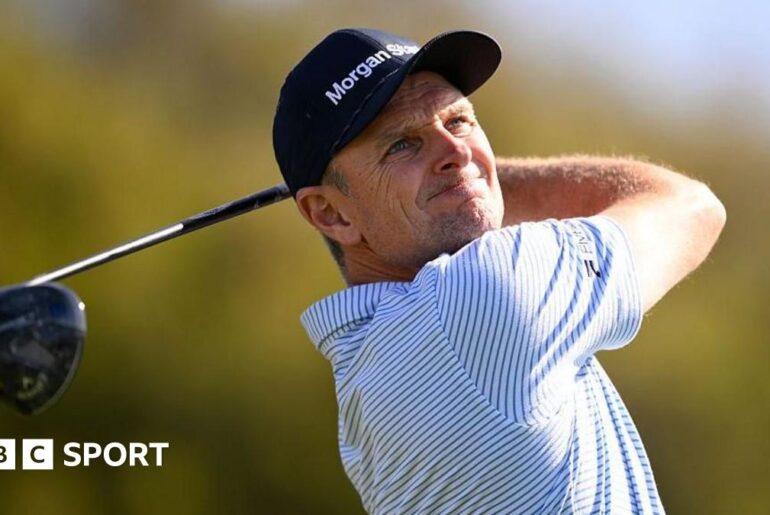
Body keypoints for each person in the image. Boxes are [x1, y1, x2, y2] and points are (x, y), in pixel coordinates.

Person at [272, 28, 725, 514]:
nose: (458, 150)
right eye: (402, 144)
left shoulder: (363, 387)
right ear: (330, 215)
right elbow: (690, 206)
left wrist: (447, 176)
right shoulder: (481, 293)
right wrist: (477, 176)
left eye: (460, 120)